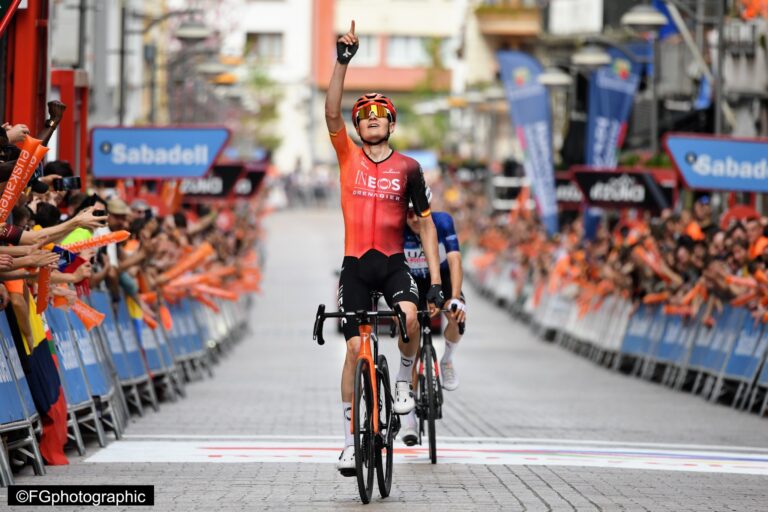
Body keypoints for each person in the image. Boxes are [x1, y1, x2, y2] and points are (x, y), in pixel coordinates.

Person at [326, 20, 445, 474]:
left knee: (411, 316)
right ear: (358, 125)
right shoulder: (348, 155)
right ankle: (347, 441)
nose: (372, 116)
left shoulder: (410, 168)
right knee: (355, 350)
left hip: (394, 263)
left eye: (381, 113)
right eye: (365, 114)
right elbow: (331, 112)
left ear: (391, 123)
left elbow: (428, 227)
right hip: (355, 264)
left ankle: (400, 382)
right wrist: (342, 62)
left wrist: (434, 282)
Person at [401, 190, 467, 445]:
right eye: (408, 213)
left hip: (441, 278)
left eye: (419, 212)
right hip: (412, 283)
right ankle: (408, 420)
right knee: (412, 337)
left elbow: (455, 261)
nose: (415, 219)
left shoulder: (442, 222)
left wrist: (455, 297)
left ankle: (447, 360)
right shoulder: (397, 228)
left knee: (457, 314)